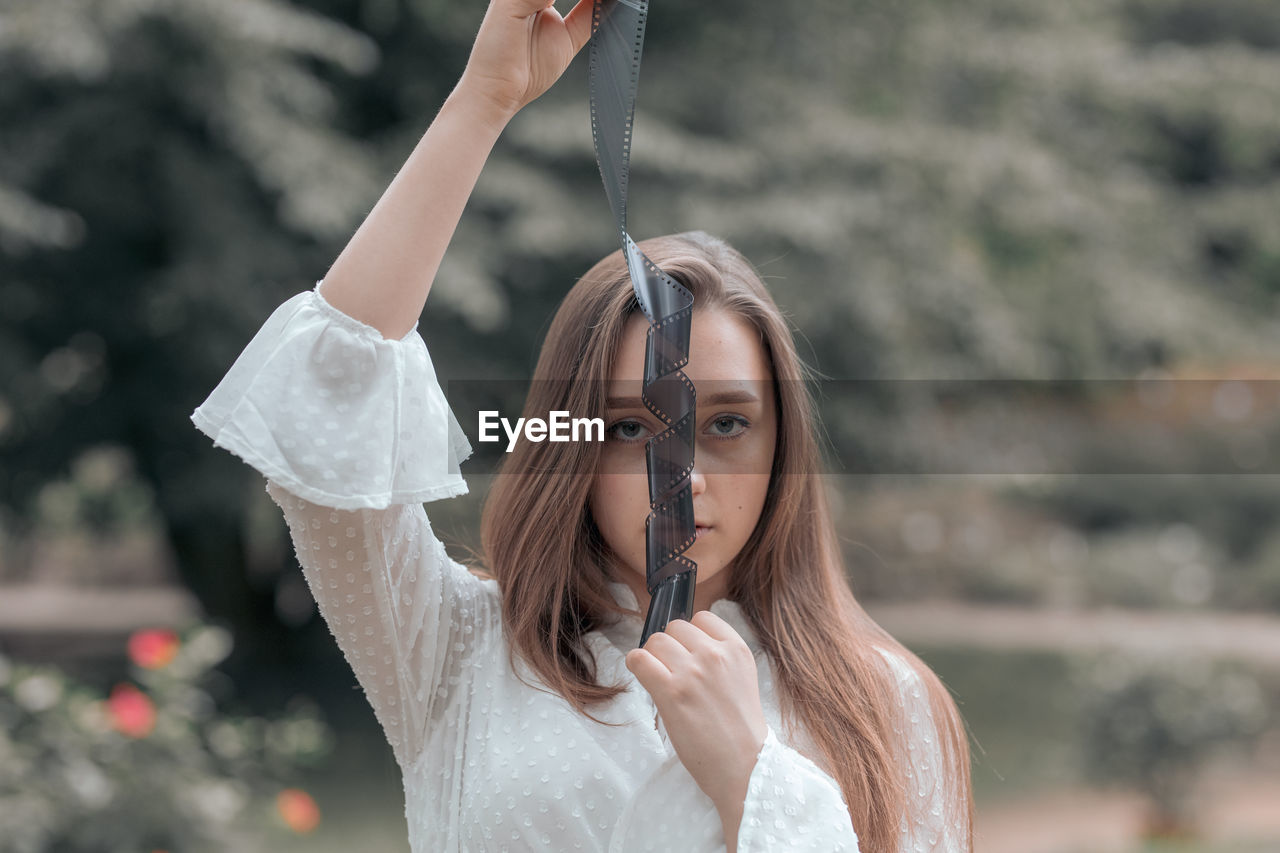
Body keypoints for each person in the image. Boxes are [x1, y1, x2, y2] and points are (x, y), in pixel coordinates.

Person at [191, 0, 975, 850]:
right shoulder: (461, 650)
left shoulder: (881, 700)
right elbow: (332, 405)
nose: (684, 478)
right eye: (633, 429)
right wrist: (484, 99)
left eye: (726, 424)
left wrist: (752, 774)